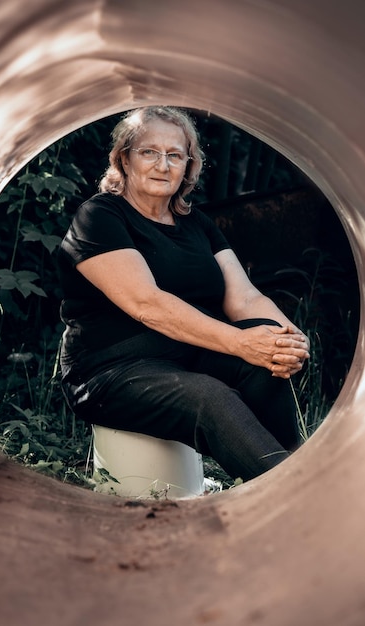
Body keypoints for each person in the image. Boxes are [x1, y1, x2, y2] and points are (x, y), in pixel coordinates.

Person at [57, 105, 310, 482]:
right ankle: (291, 497)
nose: (163, 165)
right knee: (211, 398)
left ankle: (294, 466)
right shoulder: (101, 216)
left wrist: (287, 339)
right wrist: (241, 343)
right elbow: (148, 305)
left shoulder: (198, 224)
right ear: (124, 160)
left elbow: (244, 299)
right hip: (110, 369)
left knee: (267, 353)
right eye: (149, 152)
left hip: (187, 355)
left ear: (189, 166)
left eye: (175, 155)